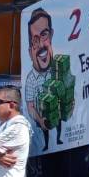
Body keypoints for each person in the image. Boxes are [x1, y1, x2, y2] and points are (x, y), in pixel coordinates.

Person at [24, 8, 63, 151]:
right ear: (29, 51)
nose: (40, 45)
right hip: (42, 124)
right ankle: (46, 144)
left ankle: (58, 138)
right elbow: (30, 106)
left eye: (44, 35)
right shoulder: (30, 79)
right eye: (35, 41)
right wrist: (40, 120)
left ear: (51, 36)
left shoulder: (58, 68)